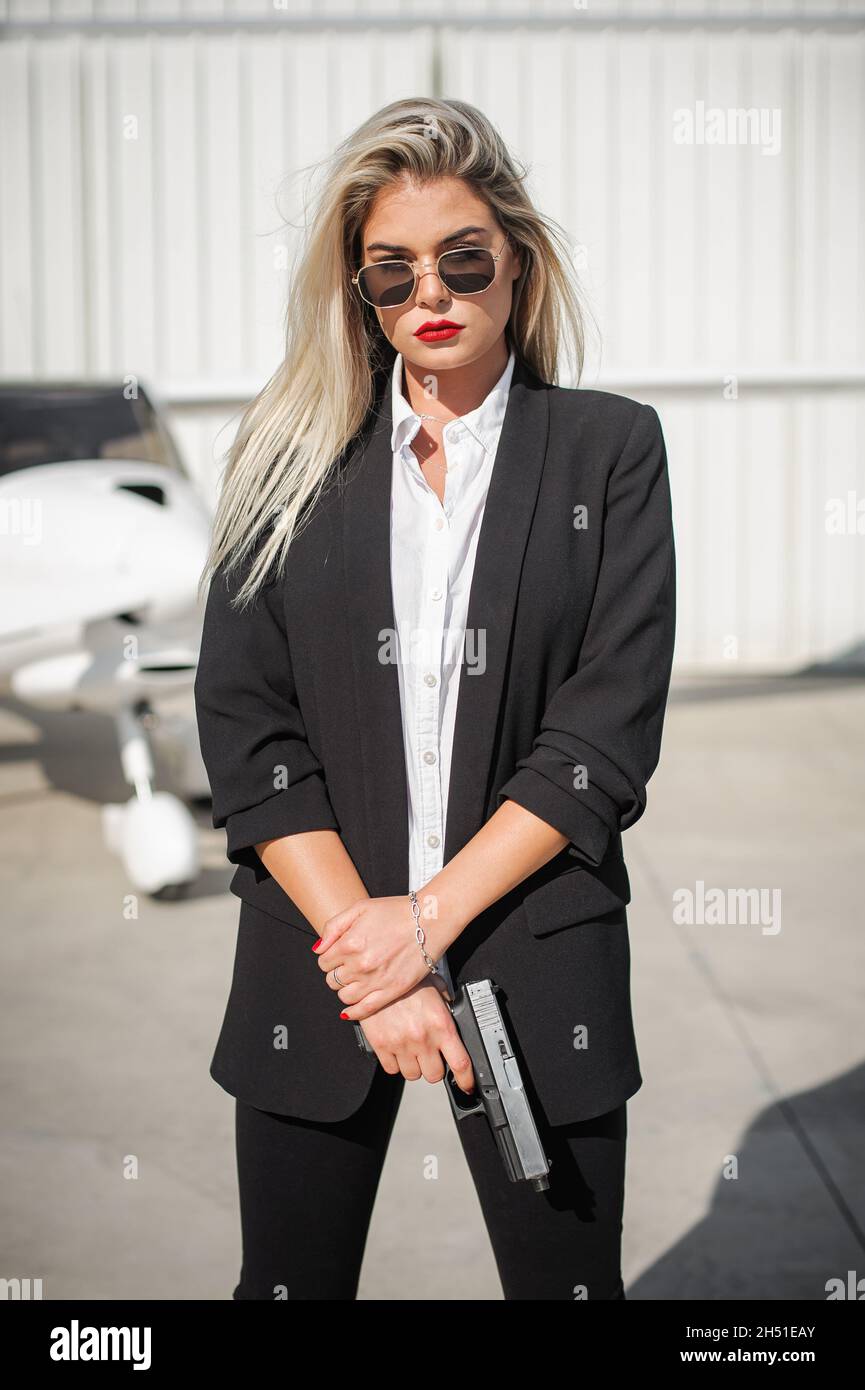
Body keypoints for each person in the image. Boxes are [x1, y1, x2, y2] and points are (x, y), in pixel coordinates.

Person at [193, 96, 676, 1301]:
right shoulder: (287, 449)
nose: (433, 292)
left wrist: (426, 925)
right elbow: (249, 729)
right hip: (322, 954)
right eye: (391, 270)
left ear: (516, 259)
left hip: (531, 955)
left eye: (464, 258)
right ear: (357, 289)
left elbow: (601, 737)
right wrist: (378, 953)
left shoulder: (608, 453)